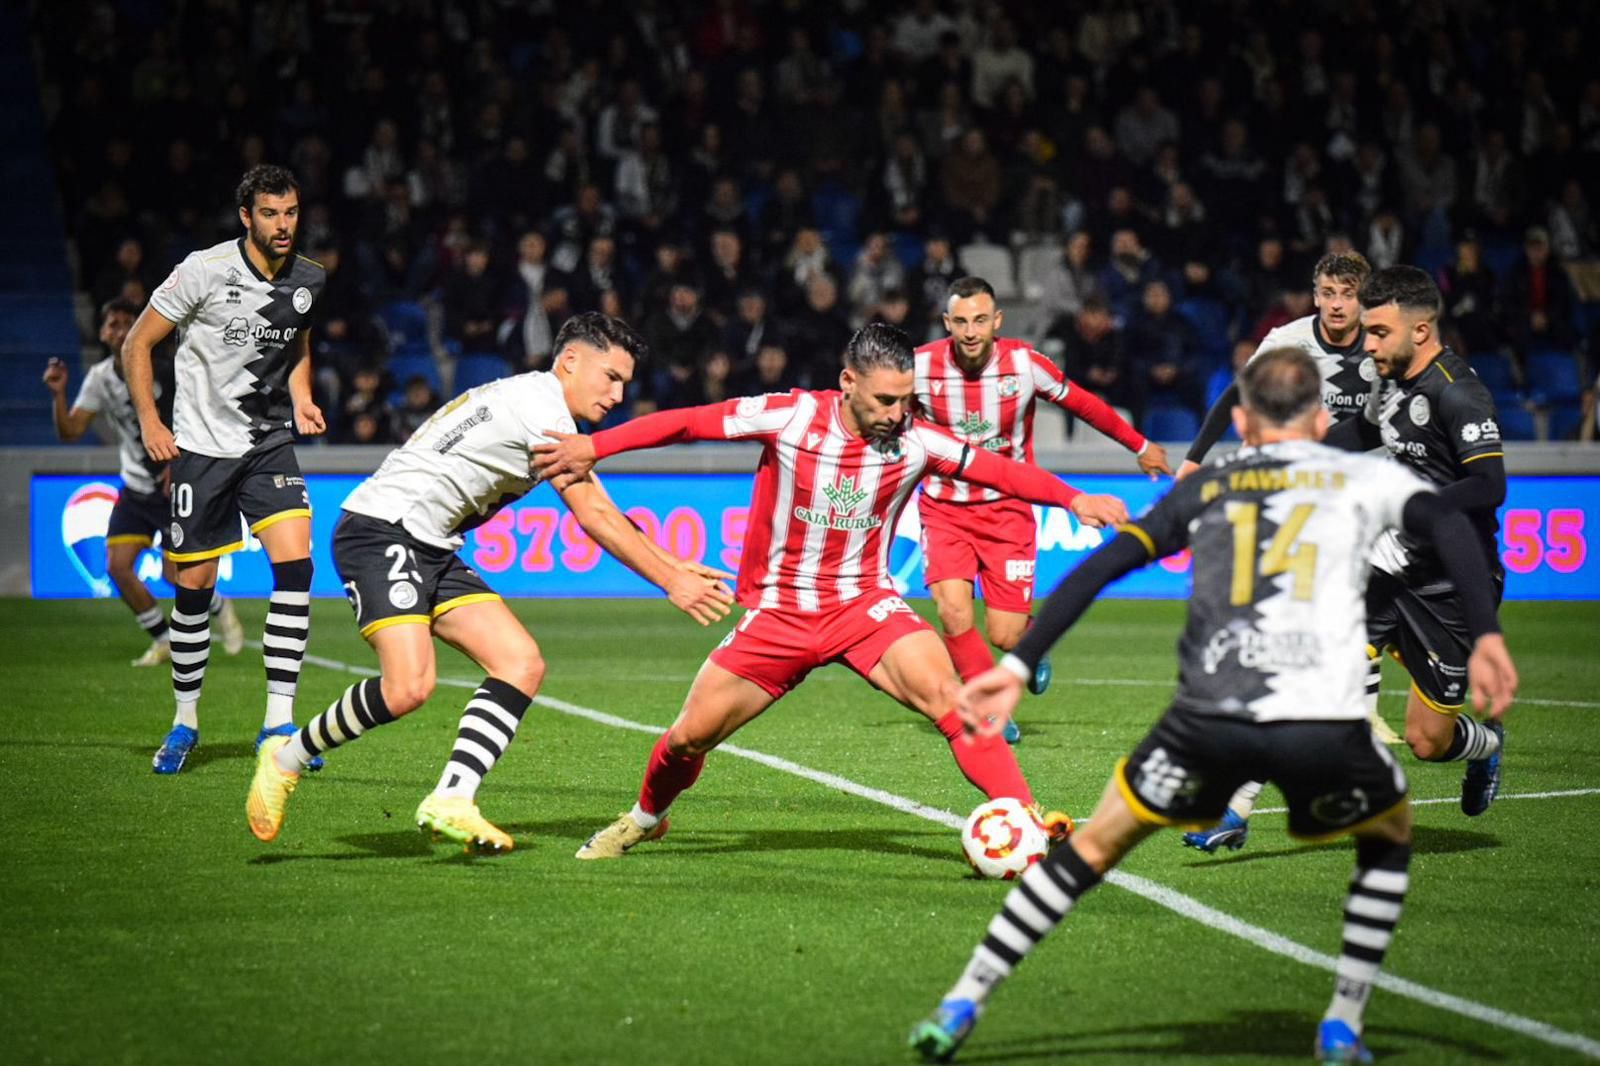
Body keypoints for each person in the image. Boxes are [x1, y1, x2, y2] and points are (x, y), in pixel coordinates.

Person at [908, 347, 1517, 1065]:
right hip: (1319, 723)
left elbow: (1102, 566)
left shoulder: (1215, 484)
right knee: (1388, 833)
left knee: (1093, 847)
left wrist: (1015, 663)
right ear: (1322, 419)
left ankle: (963, 1001)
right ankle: (1344, 1023)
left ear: (1239, 420)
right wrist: (1484, 635)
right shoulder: (1364, 477)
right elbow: (1450, 527)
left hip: (1207, 719)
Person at [533, 324, 1130, 861]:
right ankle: (644, 818)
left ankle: (1024, 822)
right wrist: (595, 445)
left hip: (865, 606)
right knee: (688, 737)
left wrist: (1072, 498)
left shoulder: (918, 440)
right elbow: (687, 422)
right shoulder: (789, 416)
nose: (899, 413)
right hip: (780, 615)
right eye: (885, 400)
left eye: (906, 399)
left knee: (954, 700)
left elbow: (998, 469)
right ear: (848, 382)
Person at [244, 313, 734, 851]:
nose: (618, 395)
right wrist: (670, 579)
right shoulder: (544, 413)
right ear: (570, 360)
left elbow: (604, 506)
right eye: (610, 377)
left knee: (521, 663)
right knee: (408, 688)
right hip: (381, 530)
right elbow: (593, 513)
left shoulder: (538, 402)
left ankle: (453, 798)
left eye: (625, 383)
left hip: (430, 543)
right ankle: (285, 756)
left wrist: (670, 562)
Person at [1191, 266, 1514, 857]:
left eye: (1379, 333)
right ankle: (1234, 810)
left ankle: (1485, 746)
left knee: (1427, 740)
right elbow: (1362, 430)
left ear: (1420, 331)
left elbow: (1490, 485)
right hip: (1384, 563)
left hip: (1448, 585)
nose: (1366, 346)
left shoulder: (1458, 391)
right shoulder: (1388, 381)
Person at [1177, 251, 1390, 849]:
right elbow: (1237, 397)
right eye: (1327, 291)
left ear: (1363, 297)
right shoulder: (1290, 341)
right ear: (1315, 293)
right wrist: (1197, 458)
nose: (1337, 303)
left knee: (1431, 718)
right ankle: (1240, 805)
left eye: (1348, 292)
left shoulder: (1387, 340)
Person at [122, 164, 326, 775]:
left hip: (267, 447)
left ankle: (280, 723)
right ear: (246, 217)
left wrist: (303, 396)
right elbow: (138, 343)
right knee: (194, 590)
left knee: (296, 567)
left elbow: (296, 342)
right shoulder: (203, 270)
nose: (283, 224)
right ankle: (185, 723)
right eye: (270, 213)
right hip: (201, 450)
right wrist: (152, 424)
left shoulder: (309, 278)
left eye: (290, 212)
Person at [914, 277, 1170, 744]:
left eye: (979, 321)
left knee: (1007, 636)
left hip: (1009, 509)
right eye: (960, 322)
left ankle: (1033, 643)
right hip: (944, 508)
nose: (970, 332)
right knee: (952, 613)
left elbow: (1084, 404)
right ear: (946, 323)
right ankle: (988, 707)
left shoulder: (1024, 365)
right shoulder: (919, 368)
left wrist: (1140, 444)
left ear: (997, 321)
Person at [42, 298, 244, 666]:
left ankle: (220, 605)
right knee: (117, 567)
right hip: (135, 487)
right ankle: (164, 639)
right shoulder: (100, 378)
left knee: (174, 573)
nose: (118, 329)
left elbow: (196, 414)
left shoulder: (163, 369)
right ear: (102, 332)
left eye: (126, 322)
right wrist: (58, 394)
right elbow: (70, 430)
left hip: (171, 487)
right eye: (112, 323)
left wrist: (179, 461)